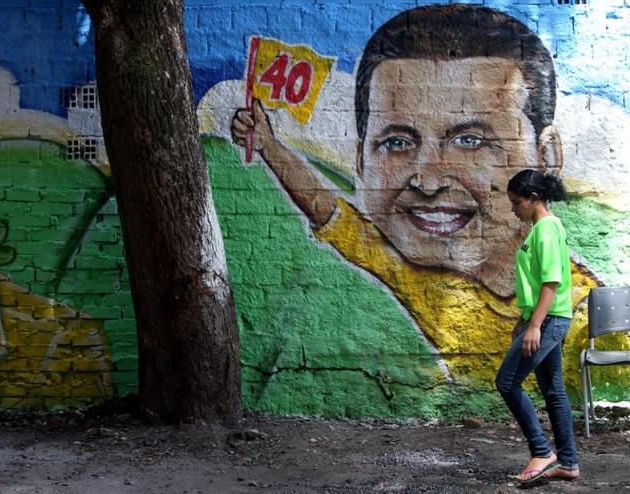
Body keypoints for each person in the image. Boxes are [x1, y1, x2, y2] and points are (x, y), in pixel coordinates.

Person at [230, 5, 598, 385]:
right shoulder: (406, 268)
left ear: (547, 155)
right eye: (397, 142)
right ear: (360, 160)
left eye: (469, 140)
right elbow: (326, 209)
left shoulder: (584, 313)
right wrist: (269, 146)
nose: (428, 180)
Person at [496, 169, 579, 483]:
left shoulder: (545, 228)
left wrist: (535, 327)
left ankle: (542, 450)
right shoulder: (544, 227)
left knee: (506, 382)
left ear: (533, 199)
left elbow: (551, 281)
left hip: (550, 321)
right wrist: (526, 319)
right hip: (548, 318)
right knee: (554, 392)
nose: (513, 209)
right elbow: (539, 283)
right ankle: (568, 463)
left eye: (517, 203)